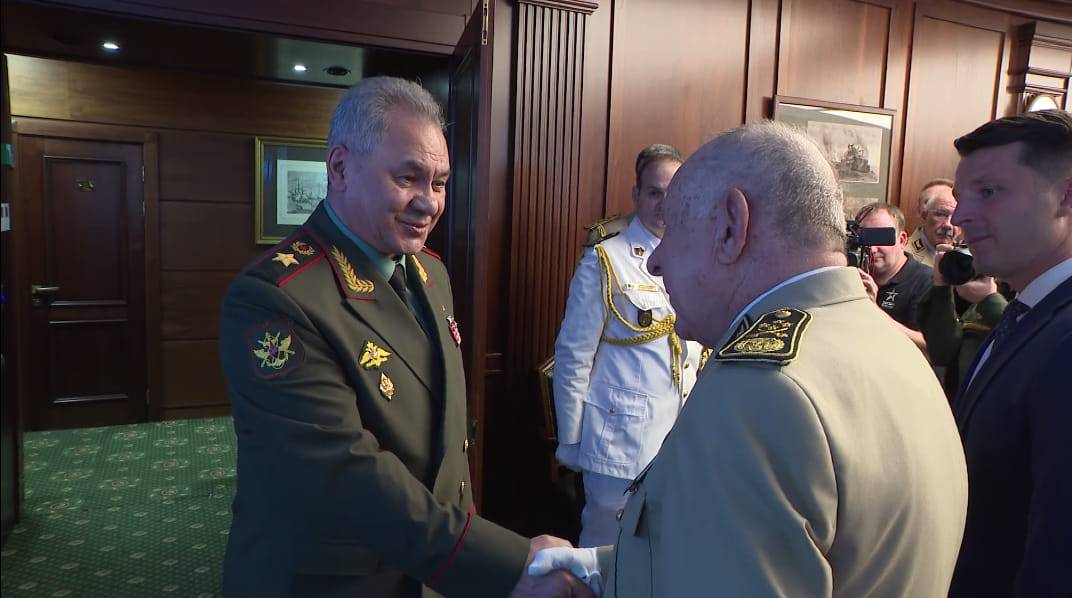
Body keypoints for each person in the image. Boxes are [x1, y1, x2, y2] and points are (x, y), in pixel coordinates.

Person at [529, 122, 968, 596]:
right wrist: (598, 571)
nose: (655, 261)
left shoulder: (760, 391)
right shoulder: (893, 344)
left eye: (675, 229)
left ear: (731, 228)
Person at [219, 77, 588, 598]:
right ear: (340, 168)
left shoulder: (430, 272)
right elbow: (342, 475)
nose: (429, 203)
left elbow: (445, 442)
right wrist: (504, 564)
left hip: (429, 566)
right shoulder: (276, 297)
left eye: (440, 183)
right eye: (408, 177)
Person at [947, 108, 1072, 598]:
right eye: (960, 197)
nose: (959, 216)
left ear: (1065, 196)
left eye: (989, 192)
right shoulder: (1027, 311)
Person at [553, 144, 704, 547]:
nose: (664, 205)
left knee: (661, 552)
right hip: (619, 441)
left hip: (677, 438)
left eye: (673, 193)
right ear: (636, 195)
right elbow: (573, 356)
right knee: (607, 551)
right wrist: (571, 441)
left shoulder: (696, 259)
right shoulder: (606, 259)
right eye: (654, 193)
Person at [916, 258, 1008, 399]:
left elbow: (1028, 341)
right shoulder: (990, 292)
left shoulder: (1037, 297)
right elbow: (943, 353)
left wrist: (990, 300)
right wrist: (941, 287)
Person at [855, 202, 932, 350]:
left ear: (902, 240)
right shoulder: (854, 274)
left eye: (881, 238)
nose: (872, 249)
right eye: (865, 239)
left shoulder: (926, 281)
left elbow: (929, 346)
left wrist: (875, 312)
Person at [907, 179, 958, 266]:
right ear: (923, 214)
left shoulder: (971, 254)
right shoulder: (902, 253)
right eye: (940, 213)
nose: (948, 224)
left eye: (956, 215)